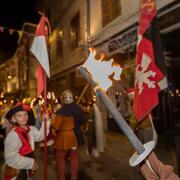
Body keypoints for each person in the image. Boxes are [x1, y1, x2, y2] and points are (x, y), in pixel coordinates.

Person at [3, 102, 50, 180]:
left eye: (25, 114)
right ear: (13, 119)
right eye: (19, 115)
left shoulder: (30, 129)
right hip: (17, 171)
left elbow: (41, 135)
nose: (24, 117)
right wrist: (30, 163)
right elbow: (11, 158)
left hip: (26, 169)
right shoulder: (13, 135)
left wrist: (46, 121)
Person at [51, 90, 85, 180]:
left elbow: (56, 128)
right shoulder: (79, 109)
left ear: (63, 99)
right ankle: (74, 177)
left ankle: (62, 178)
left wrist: (52, 126)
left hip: (64, 138)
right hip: (75, 137)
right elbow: (82, 124)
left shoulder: (61, 111)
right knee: (74, 157)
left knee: (60, 158)